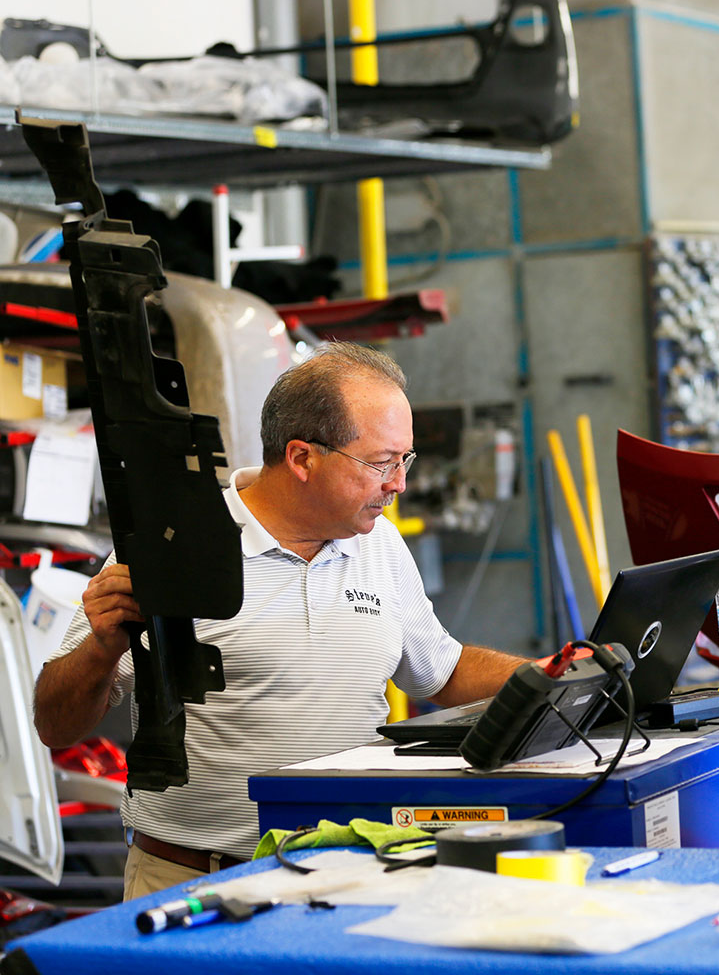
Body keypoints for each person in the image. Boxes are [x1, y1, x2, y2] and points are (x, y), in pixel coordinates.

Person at [33, 343, 527, 898]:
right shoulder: (172, 545)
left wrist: (553, 676)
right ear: (302, 458)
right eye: (382, 462)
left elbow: (443, 671)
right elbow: (55, 725)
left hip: (349, 872)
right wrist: (100, 647)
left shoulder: (378, 542)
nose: (399, 484)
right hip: (197, 883)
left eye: (404, 461)